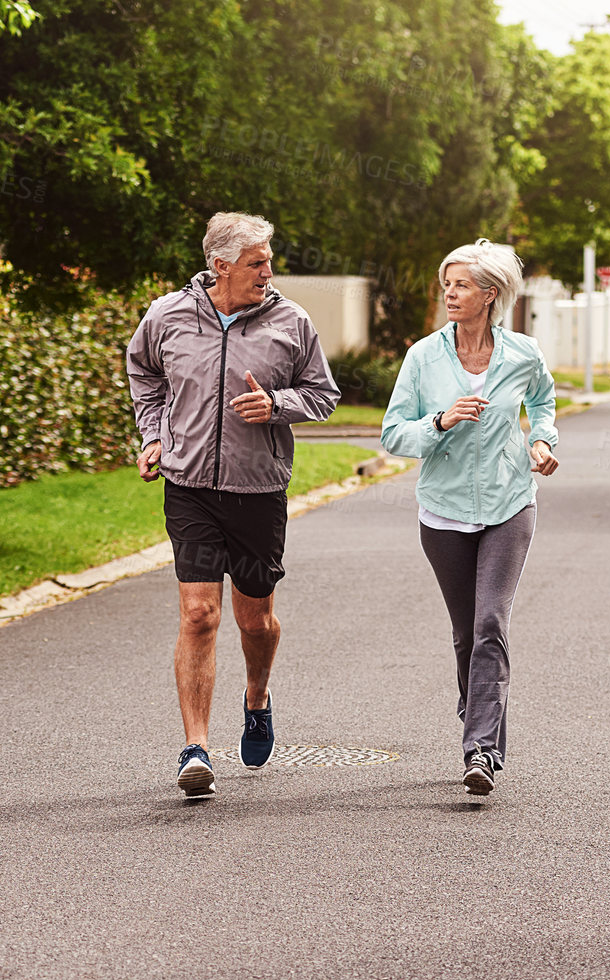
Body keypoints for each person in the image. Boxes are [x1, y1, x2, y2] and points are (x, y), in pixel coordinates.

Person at [125, 212, 341, 797]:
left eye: (268, 260)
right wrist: (153, 436)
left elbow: (324, 394)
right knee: (199, 615)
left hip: (258, 491)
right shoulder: (167, 315)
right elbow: (143, 374)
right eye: (257, 262)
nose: (269, 272)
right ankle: (195, 748)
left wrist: (276, 405)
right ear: (220, 266)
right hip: (189, 485)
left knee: (255, 621)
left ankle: (257, 695)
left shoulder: (290, 321)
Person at [381, 239, 558, 797]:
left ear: (491, 295)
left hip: (510, 505)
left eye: (461, 285)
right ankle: (479, 711)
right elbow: (391, 434)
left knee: (490, 625)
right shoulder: (423, 358)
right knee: (466, 634)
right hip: (444, 513)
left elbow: (544, 404)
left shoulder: (523, 354)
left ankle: (479, 749)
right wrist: (439, 421)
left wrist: (543, 442)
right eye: (447, 284)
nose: (449, 293)